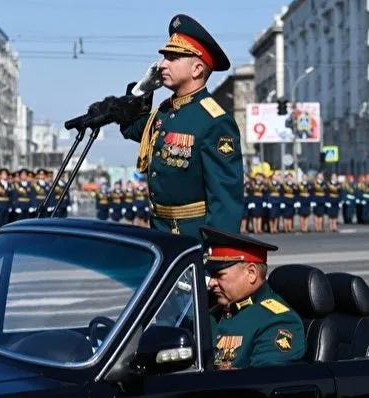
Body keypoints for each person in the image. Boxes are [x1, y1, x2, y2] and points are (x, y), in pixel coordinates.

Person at [116, 14, 244, 241]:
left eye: (173, 58)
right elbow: (130, 127)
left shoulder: (214, 121)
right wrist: (141, 91)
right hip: (159, 233)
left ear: (196, 69)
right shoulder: (164, 113)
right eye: (164, 57)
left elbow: (225, 200)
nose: (162, 64)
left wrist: (216, 261)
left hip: (192, 238)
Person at [200, 225, 306, 369]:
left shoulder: (277, 321)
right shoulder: (215, 309)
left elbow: (263, 382)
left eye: (219, 275)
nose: (212, 283)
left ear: (251, 273)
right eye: (211, 276)